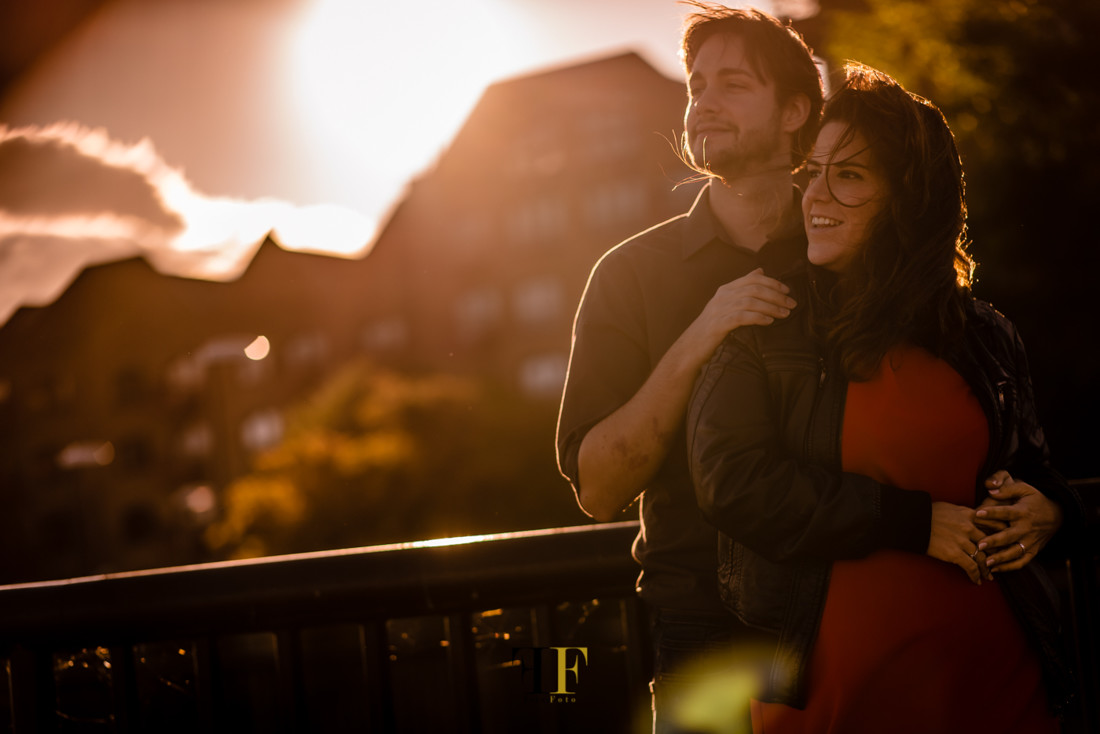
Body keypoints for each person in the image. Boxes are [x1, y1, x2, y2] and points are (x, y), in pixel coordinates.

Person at [686, 63, 1086, 732]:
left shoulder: (984, 334)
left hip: (997, 685)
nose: (816, 195)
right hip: (836, 696)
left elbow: (1033, 465)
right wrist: (912, 523)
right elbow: (732, 482)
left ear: (910, 198)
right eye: (812, 171)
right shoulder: (764, 320)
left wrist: (1053, 511)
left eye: (848, 176)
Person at [555, 5, 823, 729]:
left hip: (856, 611)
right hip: (704, 633)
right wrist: (703, 332)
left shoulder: (849, 253)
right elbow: (599, 488)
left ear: (795, 111)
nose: (703, 101)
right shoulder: (628, 275)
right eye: (696, 84)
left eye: (733, 84)